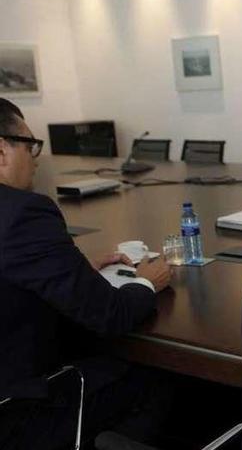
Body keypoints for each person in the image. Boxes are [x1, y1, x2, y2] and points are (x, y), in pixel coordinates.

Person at [0, 98, 173, 449]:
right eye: (30, 146)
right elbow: (110, 314)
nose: (35, 160)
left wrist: (72, 269)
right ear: (2, 150)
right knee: (160, 378)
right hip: (19, 417)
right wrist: (145, 282)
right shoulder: (23, 214)